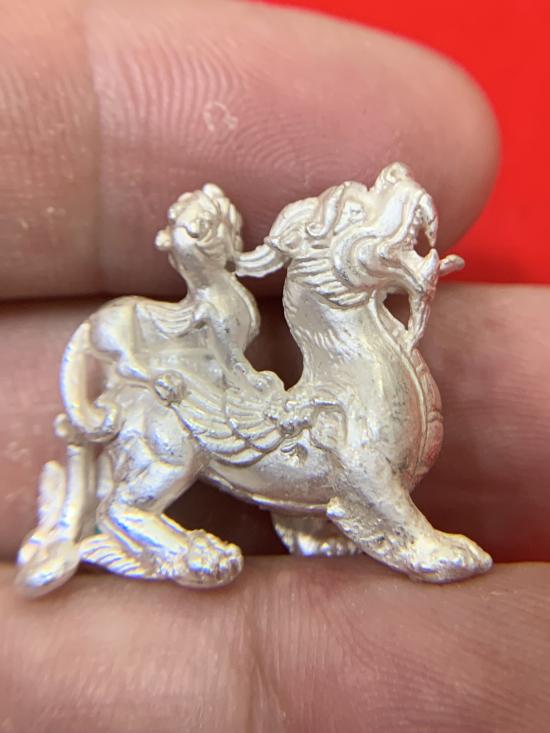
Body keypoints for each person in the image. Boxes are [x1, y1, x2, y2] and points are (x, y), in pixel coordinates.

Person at [1, 0, 548, 730]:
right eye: (352, 218)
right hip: (192, 396)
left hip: (246, 386)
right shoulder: (211, 303)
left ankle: (315, 518)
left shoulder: (251, 305)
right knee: (208, 454)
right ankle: (134, 520)